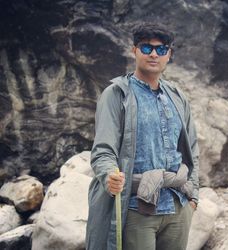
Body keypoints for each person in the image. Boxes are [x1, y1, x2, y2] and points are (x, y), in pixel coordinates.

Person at [85, 22, 199, 250]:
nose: (154, 54)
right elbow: (103, 150)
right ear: (134, 50)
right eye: (146, 48)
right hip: (137, 209)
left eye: (161, 49)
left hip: (178, 206)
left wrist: (193, 196)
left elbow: (192, 150)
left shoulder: (177, 97)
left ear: (169, 54)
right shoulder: (116, 94)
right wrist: (109, 176)